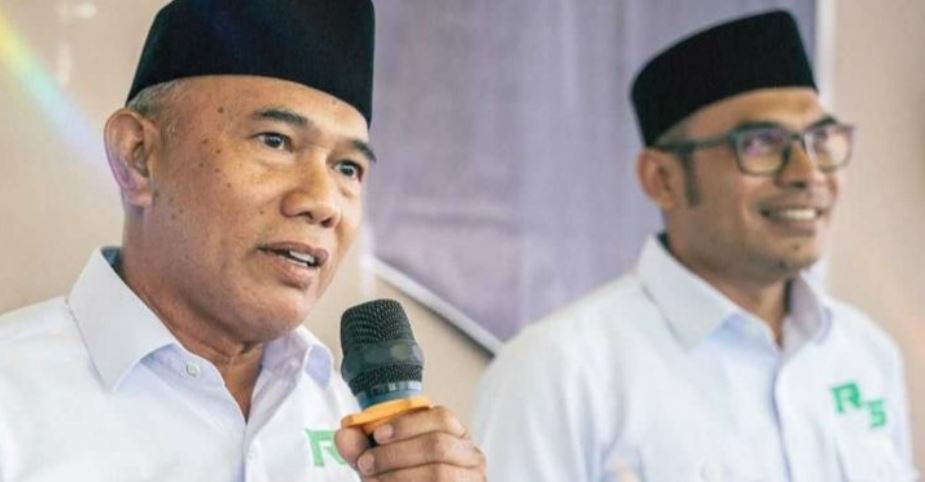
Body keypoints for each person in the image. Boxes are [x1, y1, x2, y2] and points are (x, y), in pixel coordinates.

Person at [0, 1, 485, 481]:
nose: (323, 202)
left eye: (347, 167)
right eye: (275, 141)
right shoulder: (14, 396)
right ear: (139, 157)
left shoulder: (354, 425)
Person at [472, 10, 916, 482]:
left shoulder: (865, 353)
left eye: (821, 139)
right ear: (662, 179)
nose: (808, 173)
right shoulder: (560, 372)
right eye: (761, 143)